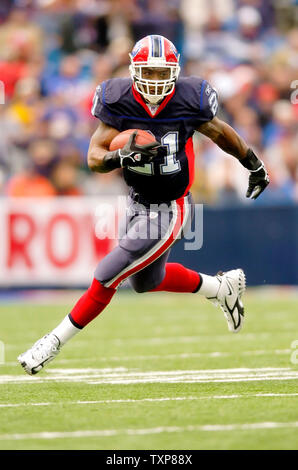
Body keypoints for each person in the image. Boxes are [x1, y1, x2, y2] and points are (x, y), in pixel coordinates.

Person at [18, 35, 269, 375]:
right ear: (134, 70)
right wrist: (120, 156)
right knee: (145, 282)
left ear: (175, 72)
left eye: (160, 72)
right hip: (137, 202)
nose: (154, 80)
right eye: (147, 72)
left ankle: (52, 342)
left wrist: (253, 163)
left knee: (107, 274)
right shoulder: (118, 99)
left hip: (172, 207)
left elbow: (220, 133)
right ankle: (220, 287)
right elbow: (94, 158)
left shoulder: (189, 98)